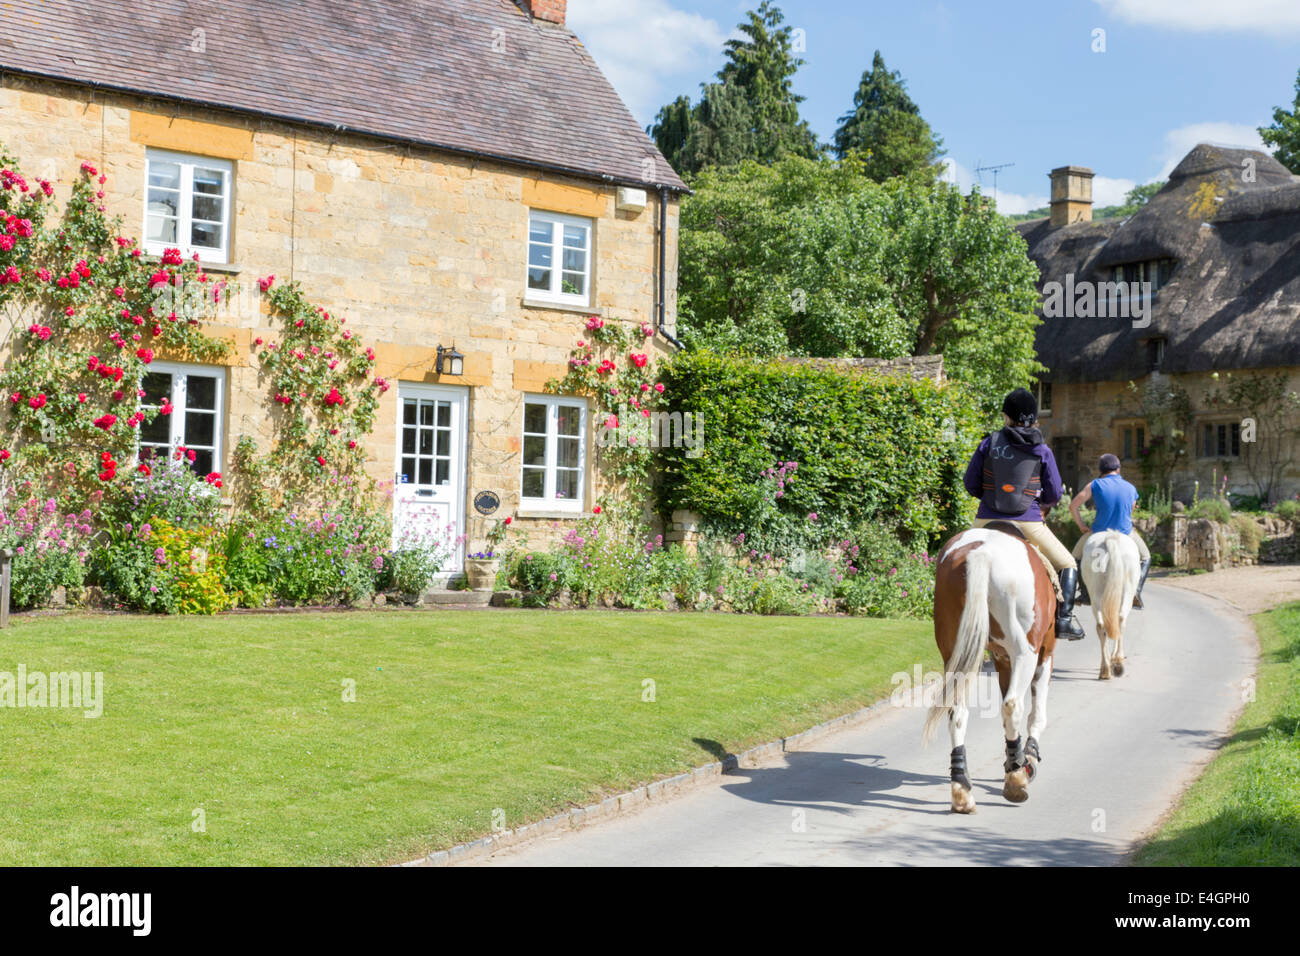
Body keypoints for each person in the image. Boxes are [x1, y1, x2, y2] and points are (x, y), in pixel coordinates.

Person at [963, 388, 1086, 640]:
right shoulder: (1042, 450)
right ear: (1034, 418)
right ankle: (1064, 621)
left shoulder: (987, 443)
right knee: (1067, 563)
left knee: (955, 558)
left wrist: (991, 497)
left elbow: (970, 484)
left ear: (1006, 417)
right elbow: (1053, 494)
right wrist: (1037, 500)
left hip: (986, 520)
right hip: (1028, 522)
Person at [1068, 453, 1152, 609]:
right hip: (1125, 532)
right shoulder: (1131, 487)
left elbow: (1073, 506)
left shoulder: (1095, 484)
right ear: (1118, 469)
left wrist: (1082, 525)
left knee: (1074, 558)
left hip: (1098, 532)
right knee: (1146, 557)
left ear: (1101, 469)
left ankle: (1085, 593)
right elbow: (1131, 508)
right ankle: (1136, 592)